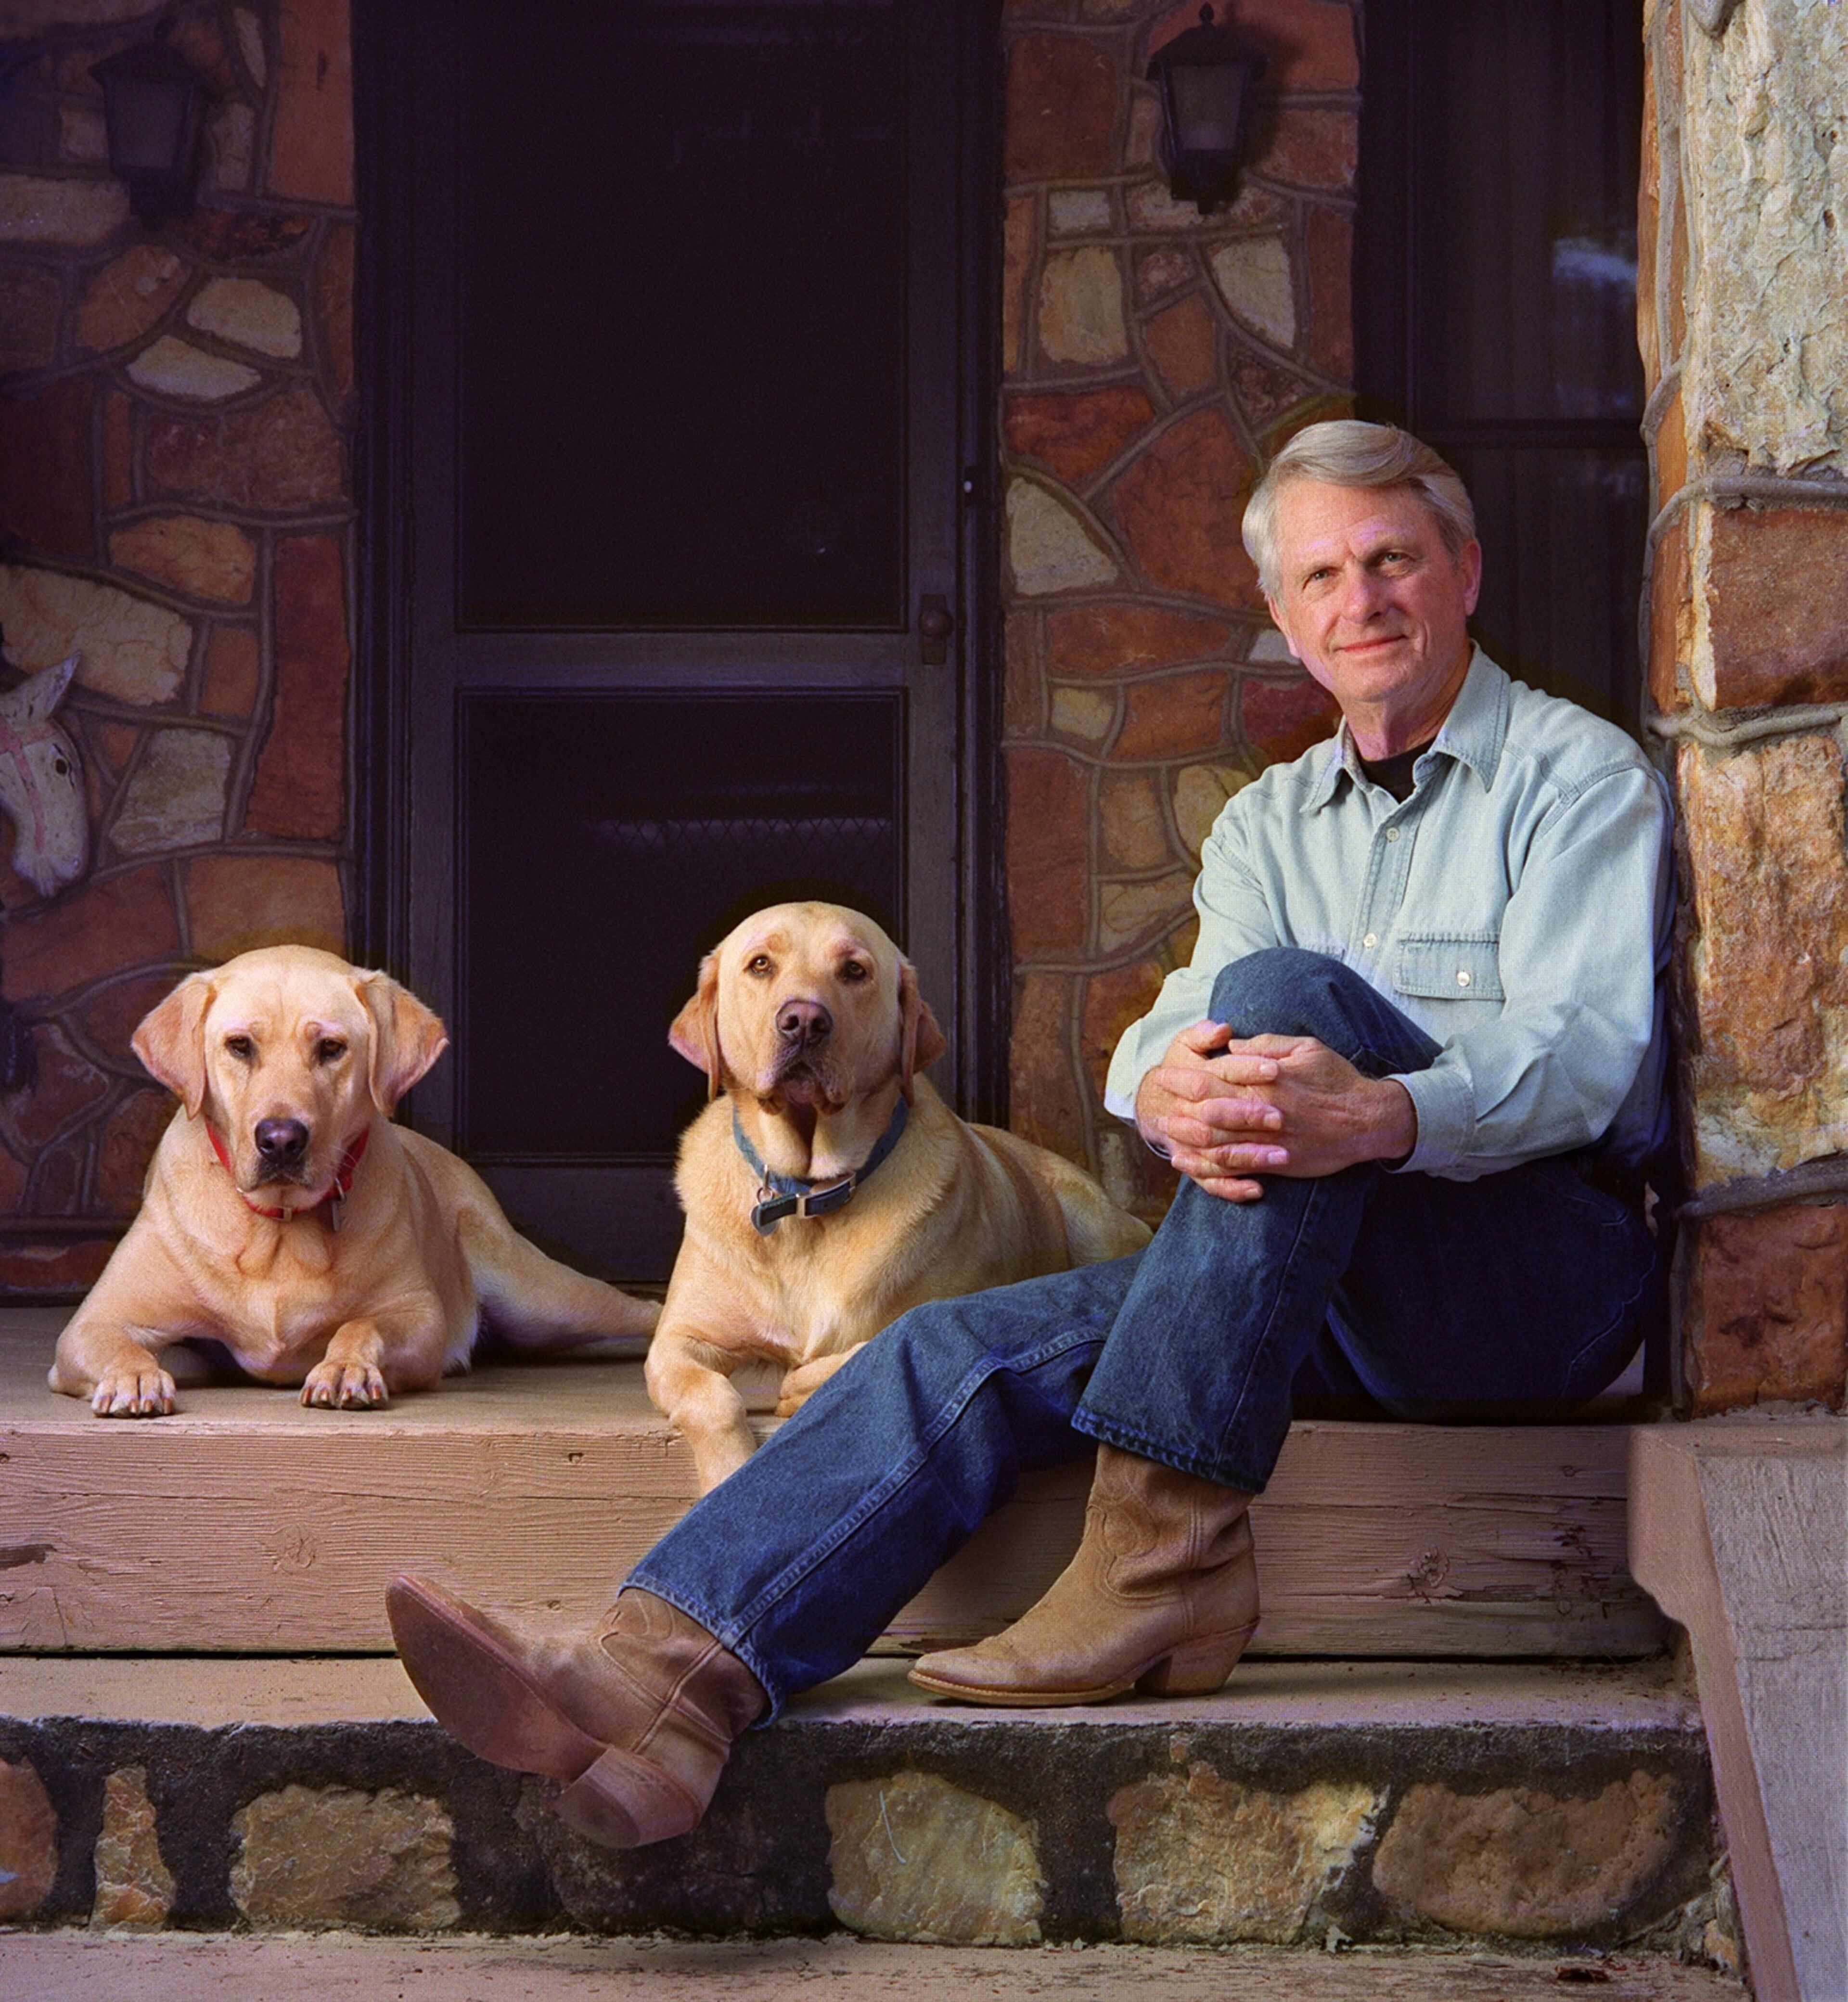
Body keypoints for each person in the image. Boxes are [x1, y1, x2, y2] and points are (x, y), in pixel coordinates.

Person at [386, 421, 1673, 1854]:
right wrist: (1157, 1091)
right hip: (1327, 1280)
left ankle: (1167, 1552)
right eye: (1321, 576)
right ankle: (665, 1692)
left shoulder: (1580, 778)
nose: (1359, 601)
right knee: (946, 1344)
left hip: (1532, 1282)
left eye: (1393, 561)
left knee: (1285, 1001)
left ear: (1466, 570)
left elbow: (1587, 1065)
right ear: (1283, 618)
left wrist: (1378, 1110)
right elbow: (1166, 1032)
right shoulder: (1268, 827)